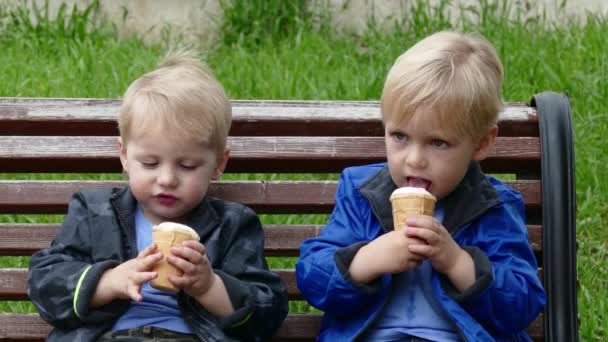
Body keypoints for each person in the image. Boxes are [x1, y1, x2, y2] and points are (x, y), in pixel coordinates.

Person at [295, 31, 546, 341]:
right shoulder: (363, 193)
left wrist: (458, 263)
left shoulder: (493, 206)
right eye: (399, 136)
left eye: (437, 143)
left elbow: (522, 302)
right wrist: (366, 261)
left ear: (481, 143)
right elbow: (313, 276)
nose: (414, 160)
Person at [28, 51, 288, 342]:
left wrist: (209, 287)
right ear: (124, 156)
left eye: (187, 165)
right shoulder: (94, 212)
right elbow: (45, 282)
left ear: (219, 164)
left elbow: (269, 312)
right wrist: (107, 281)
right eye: (150, 163)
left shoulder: (232, 225)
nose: (166, 179)